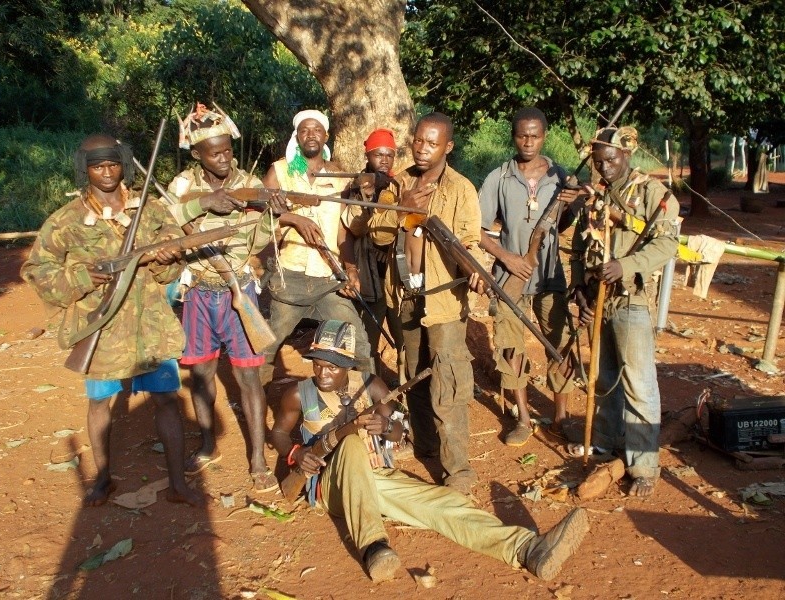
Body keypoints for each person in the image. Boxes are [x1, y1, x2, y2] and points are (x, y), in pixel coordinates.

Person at [270, 320, 590, 583]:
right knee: (352, 442)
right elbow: (279, 433)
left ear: (347, 366)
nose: (322, 374)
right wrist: (297, 455)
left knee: (443, 504)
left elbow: (400, 431)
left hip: (377, 478)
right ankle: (373, 547)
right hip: (332, 485)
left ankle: (527, 550)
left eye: (331, 368)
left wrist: (387, 429)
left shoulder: (372, 387)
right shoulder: (299, 395)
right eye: (318, 366)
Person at [21, 134, 204, 507]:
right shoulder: (66, 221)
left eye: (113, 164)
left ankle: (177, 483)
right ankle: (103, 478)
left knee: (168, 400)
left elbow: (172, 259)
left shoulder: (148, 211)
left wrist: (169, 259)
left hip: (149, 324)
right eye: (98, 166)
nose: (107, 173)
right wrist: (83, 277)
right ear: (84, 169)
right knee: (100, 403)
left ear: (123, 164)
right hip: (100, 327)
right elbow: (38, 271)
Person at [166, 103, 283, 492]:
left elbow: (261, 240)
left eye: (227, 150)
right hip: (198, 290)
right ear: (197, 155)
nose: (223, 158)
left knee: (248, 377)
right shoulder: (182, 186)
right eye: (214, 153)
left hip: (238, 291)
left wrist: (273, 215)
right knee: (201, 373)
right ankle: (206, 444)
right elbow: (162, 224)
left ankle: (257, 459)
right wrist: (204, 203)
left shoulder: (250, 184)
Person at [368, 112, 480, 494]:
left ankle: (458, 472)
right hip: (405, 295)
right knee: (413, 372)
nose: (422, 148)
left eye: (432, 143)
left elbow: (469, 242)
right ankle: (425, 444)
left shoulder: (461, 189)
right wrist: (402, 209)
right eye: (418, 140)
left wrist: (477, 269)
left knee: (447, 384)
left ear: (447, 147)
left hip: (443, 300)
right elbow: (378, 235)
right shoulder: (399, 183)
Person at [570, 126, 680, 498]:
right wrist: (579, 290)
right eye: (599, 162)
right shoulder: (595, 193)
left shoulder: (654, 194)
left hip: (630, 298)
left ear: (628, 155)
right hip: (597, 298)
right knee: (603, 375)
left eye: (611, 160)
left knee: (638, 384)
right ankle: (604, 440)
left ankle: (644, 465)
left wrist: (627, 265)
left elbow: (667, 244)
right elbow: (579, 244)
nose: (605, 168)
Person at [478, 107, 580, 447]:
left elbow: (562, 226)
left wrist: (571, 205)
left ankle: (561, 418)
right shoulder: (499, 177)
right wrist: (508, 258)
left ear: (544, 136)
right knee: (511, 348)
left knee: (561, 345)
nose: (528, 142)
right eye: (522, 135)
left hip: (551, 276)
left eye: (535, 135)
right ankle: (523, 419)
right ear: (514, 136)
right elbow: (476, 231)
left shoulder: (560, 175)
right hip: (510, 277)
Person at [259, 110, 371, 382]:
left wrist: (351, 269)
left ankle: (368, 408)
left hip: (328, 278)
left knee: (358, 344)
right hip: (290, 278)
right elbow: (256, 210)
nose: (311, 135)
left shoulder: (339, 176)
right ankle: (257, 409)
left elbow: (344, 229)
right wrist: (293, 218)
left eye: (317, 130)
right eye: (304, 130)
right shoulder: (281, 170)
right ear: (297, 136)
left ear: (326, 136)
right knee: (266, 348)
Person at [342, 128, 404, 380]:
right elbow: (352, 228)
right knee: (369, 341)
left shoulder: (400, 185)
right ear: (368, 155)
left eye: (389, 155)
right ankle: (372, 390)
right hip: (369, 278)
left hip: (396, 277)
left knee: (403, 341)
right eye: (378, 154)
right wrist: (364, 198)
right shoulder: (355, 187)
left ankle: (405, 390)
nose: (384, 160)